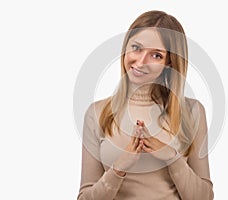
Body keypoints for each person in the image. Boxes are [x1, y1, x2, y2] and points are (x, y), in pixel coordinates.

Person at [77, 10, 214, 200]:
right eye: (136, 48)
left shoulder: (192, 112)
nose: (140, 62)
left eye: (156, 55)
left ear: (170, 63)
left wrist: (172, 158)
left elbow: (204, 198)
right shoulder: (97, 113)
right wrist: (118, 168)